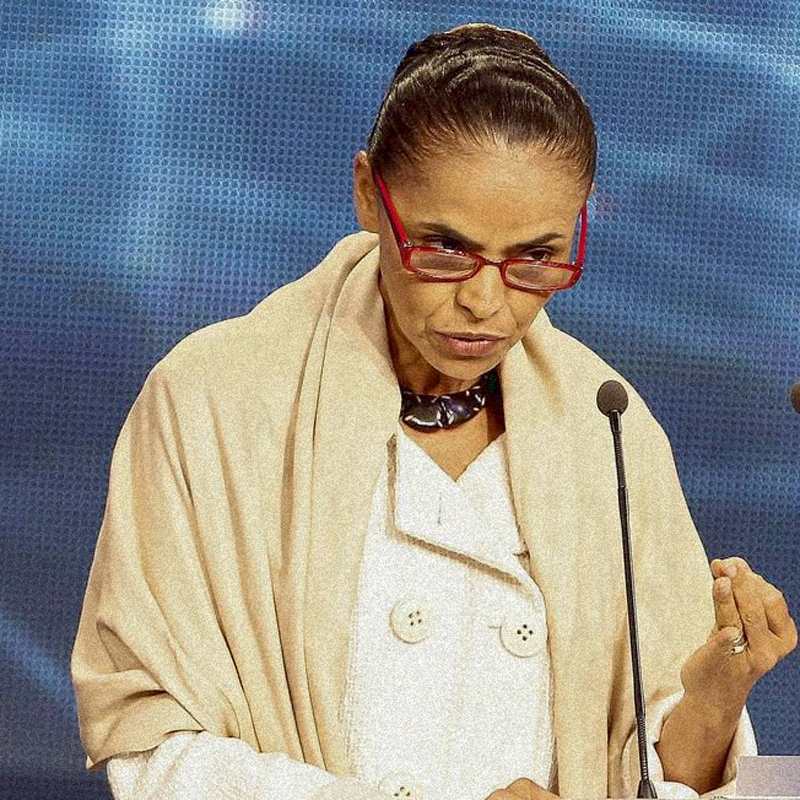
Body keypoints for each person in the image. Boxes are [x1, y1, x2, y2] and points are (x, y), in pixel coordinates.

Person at [71, 23, 797, 800]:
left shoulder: (609, 425)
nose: (484, 300)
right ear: (368, 195)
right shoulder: (214, 402)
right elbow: (150, 748)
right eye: (445, 249)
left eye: (535, 257)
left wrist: (717, 699)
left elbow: (686, 775)